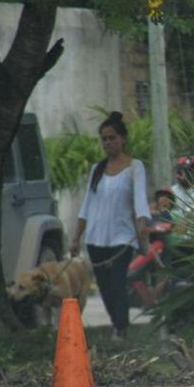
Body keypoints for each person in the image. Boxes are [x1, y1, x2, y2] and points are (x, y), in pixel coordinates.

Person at [69, 111, 151, 343]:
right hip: (96, 239)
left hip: (121, 239)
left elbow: (140, 201)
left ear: (123, 139)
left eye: (112, 138)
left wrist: (142, 225)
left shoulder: (135, 167)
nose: (107, 143)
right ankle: (117, 324)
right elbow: (86, 206)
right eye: (104, 139)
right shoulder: (97, 169)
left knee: (117, 284)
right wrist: (76, 238)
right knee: (105, 289)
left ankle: (121, 329)